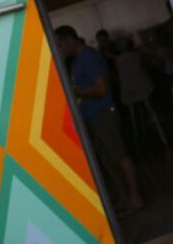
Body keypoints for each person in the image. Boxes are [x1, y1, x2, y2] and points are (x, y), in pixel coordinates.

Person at [54, 26, 143, 214]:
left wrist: (76, 92)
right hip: (92, 116)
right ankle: (124, 198)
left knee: (119, 156)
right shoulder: (78, 60)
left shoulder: (88, 57)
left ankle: (135, 197)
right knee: (109, 160)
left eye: (60, 44)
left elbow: (101, 88)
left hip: (103, 114)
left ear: (70, 39)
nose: (60, 48)